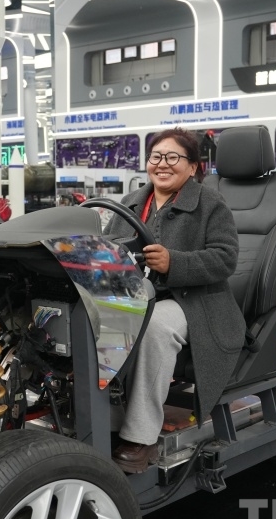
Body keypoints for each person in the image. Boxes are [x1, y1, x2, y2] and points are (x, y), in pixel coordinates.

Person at [105, 127, 246, 473]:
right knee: (97, 318)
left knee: (154, 327)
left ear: (193, 166)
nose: (162, 164)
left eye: (173, 157)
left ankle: (141, 437)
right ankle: (104, 419)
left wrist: (174, 263)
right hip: (140, 294)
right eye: (156, 156)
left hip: (196, 301)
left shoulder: (210, 204)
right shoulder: (130, 203)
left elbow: (226, 259)